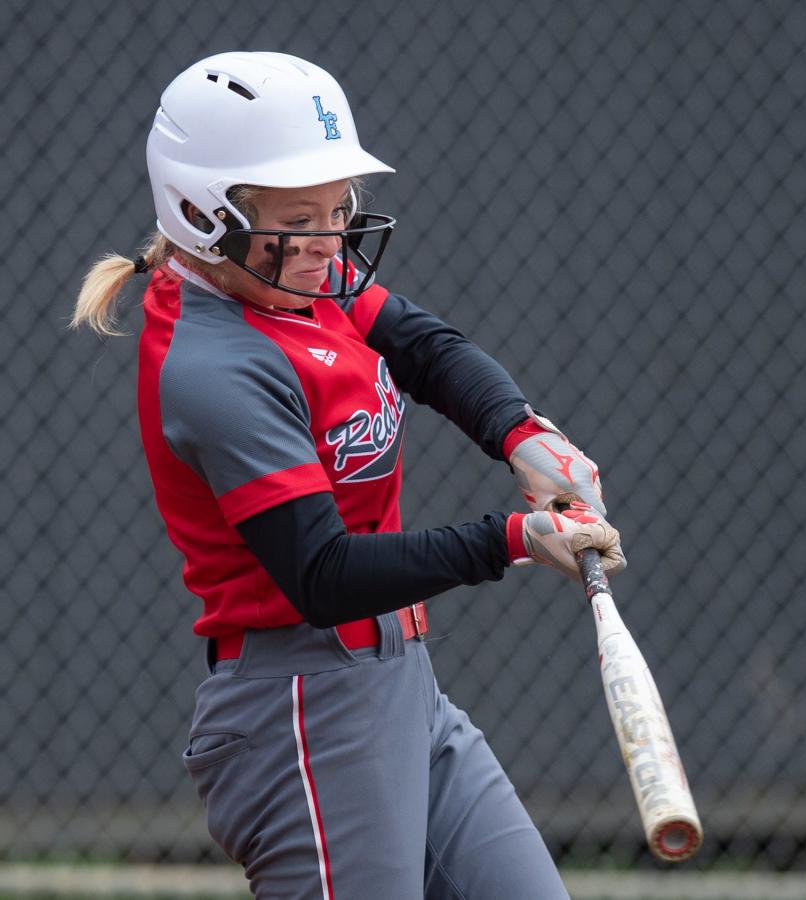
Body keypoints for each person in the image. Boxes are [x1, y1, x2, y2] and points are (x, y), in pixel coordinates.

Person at [72, 51, 625, 900]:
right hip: (300, 709)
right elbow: (323, 574)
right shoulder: (214, 364)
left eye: (338, 208)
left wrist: (520, 433)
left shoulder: (294, 276)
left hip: (399, 685)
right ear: (202, 215)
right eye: (301, 216)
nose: (330, 241)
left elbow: (425, 349)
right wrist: (513, 538)